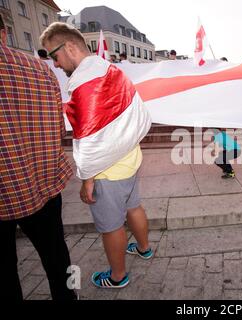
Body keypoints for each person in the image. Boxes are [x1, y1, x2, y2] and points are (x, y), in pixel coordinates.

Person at [40, 22, 153, 289]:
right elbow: (138, 113)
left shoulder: (83, 83)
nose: (55, 64)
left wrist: (87, 178)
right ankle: (145, 248)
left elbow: (87, 138)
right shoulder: (112, 69)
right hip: (130, 159)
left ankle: (117, 276)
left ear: (69, 47)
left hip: (107, 172)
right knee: (133, 206)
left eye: (54, 56)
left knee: (111, 226)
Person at [0, 14, 77, 300]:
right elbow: (58, 128)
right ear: (5, 34)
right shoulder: (41, 69)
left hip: (4, 191)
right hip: (42, 183)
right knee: (58, 256)